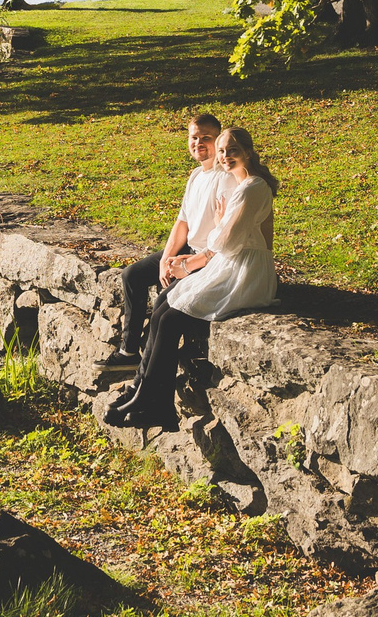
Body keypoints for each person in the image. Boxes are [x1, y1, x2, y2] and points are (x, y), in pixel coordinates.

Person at [104, 127, 281, 431]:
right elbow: (226, 237)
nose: (225, 156)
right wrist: (218, 229)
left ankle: (149, 401)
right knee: (163, 309)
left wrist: (218, 227)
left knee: (171, 319)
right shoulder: (242, 187)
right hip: (232, 263)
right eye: (223, 150)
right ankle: (152, 401)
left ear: (248, 153)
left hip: (246, 273)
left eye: (232, 150)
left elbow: (226, 240)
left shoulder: (252, 188)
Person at [110, 112, 225, 364]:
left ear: (219, 140)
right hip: (187, 249)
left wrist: (184, 263)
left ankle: (155, 362)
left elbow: (224, 236)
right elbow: (182, 222)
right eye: (194, 137)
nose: (198, 143)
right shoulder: (196, 176)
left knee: (167, 297)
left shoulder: (223, 177)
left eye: (206, 137)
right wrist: (166, 257)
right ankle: (128, 351)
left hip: (207, 259)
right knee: (132, 275)